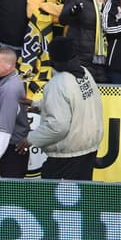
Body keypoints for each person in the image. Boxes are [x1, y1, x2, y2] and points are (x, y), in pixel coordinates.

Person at [28, 35, 102, 181]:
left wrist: (30, 139)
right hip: (88, 148)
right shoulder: (84, 73)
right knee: (81, 195)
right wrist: (37, 105)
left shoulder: (56, 84)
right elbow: (75, 102)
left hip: (68, 155)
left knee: (54, 198)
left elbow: (58, 127)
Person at [0, 45, 30, 178]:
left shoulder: (9, 90)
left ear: (9, 65)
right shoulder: (9, 81)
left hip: (10, 153)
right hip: (11, 151)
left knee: (8, 196)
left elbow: (5, 130)